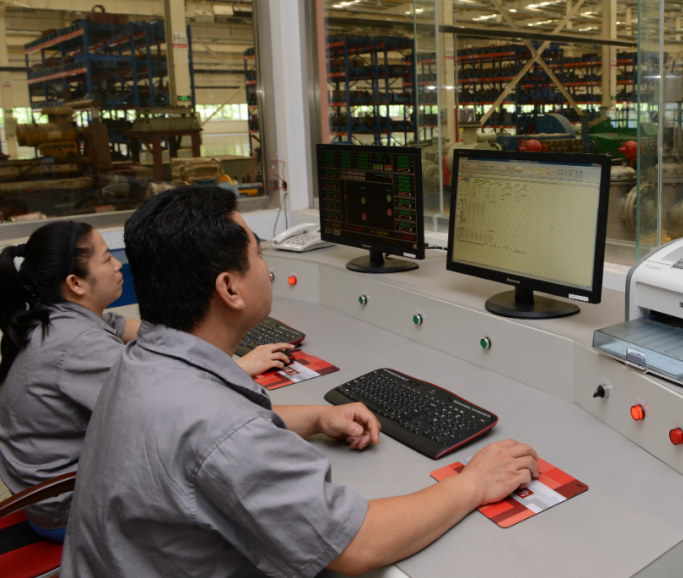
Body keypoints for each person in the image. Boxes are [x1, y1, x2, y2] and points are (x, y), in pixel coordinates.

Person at [61, 186, 538, 577]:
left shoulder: (141, 360)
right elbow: (357, 545)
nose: (268, 269)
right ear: (229, 288)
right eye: (258, 254)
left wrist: (315, 417)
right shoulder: (223, 429)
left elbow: (206, 442)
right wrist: (473, 483)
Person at [0, 221, 294, 540]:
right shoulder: (80, 344)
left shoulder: (58, 316)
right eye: (106, 259)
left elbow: (155, 334)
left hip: (48, 492)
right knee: (216, 478)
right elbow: (167, 399)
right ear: (76, 283)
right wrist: (238, 365)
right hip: (68, 508)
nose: (118, 265)